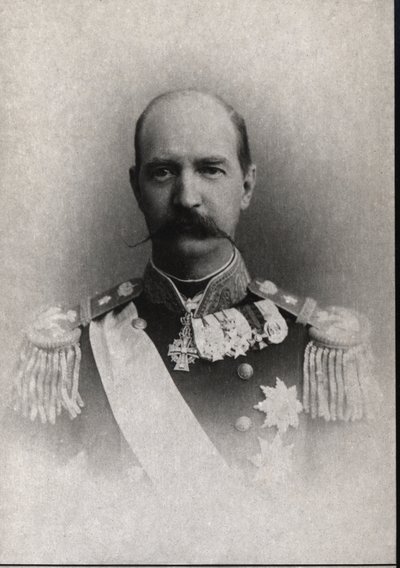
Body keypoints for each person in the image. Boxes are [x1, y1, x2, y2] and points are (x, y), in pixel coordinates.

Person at [5, 89, 379, 489]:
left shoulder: (317, 352)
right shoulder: (68, 356)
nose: (186, 198)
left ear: (247, 186)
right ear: (136, 188)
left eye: (210, 170)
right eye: (163, 172)